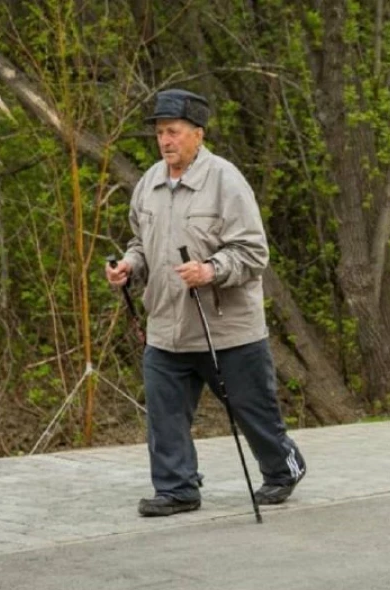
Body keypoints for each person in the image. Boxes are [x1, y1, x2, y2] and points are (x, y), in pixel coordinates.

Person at [106, 89, 306, 517]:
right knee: (164, 414)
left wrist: (211, 270)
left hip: (226, 328)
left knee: (252, 410)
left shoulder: (226, 181)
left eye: (173, 132)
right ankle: (177, 488)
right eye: (159, 133)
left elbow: (254, 252)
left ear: (197, 134)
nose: (165, 141)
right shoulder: (148, 184)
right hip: (166, 326)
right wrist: (128, 265)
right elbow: (141, 244)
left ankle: (282, 469)